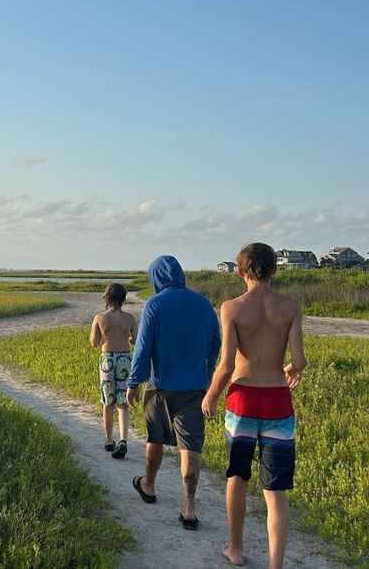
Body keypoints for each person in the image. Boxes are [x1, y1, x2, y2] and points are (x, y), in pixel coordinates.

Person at [202, 243, 305, 569]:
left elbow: (227, 364)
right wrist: (292, 369)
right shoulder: (290, 307)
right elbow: (299, 359)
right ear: (275, 269)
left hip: (243, 400)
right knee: (275, 491)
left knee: (238, 476)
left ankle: (235, 548)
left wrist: (212, 394)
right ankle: (276, 564)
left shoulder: (231, 307)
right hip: (277, 400)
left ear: (239, 271)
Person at [127, 255, 221, 531]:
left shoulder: (154, 305)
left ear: (156, 277)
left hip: (160, 387)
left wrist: (134, 383)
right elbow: (216, 342)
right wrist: (207, 372)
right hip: (195, 389)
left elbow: (143, 349)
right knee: (190, 447)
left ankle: (149, 485)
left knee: (155, 437)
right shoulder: (204, 305)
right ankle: (189, 508)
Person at [89, 283, 137, 459]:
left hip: (107, 360)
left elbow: (94, 343)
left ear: (107, 299)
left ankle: (109, 440)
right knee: (123, 403)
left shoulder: (100, 318)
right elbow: (135, 340)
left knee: (107, 402)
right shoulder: (130, 318)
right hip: (125, 359)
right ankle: (123, 439)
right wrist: (126, 336)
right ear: (123, 299)